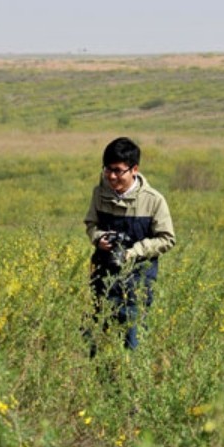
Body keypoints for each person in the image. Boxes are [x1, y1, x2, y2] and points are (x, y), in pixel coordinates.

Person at [84, 137, 175, 353]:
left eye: (118, 170)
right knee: (96, 347)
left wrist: (133, 252)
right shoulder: (99, 194)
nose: (111, 176)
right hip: (103, 282)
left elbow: (167, 238)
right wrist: (99, 238)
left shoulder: (154, 200)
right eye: (107, 169)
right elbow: (91, 224)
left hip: (137, 284)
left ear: (134, 169)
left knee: (132, 348)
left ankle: (130, 385)